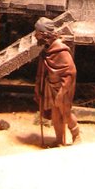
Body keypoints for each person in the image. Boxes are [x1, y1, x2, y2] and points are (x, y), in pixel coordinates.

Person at [34, 17, 80, 147]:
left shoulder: (61, 50)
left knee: (65, 114)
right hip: (50, 87)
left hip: (62, 88)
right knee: (55, 115)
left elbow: (71, 72)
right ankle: (59, 140)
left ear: (44, 34)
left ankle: (76, 135)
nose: (35, 35)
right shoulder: (47, 50)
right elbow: (43, 70)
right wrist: (39, 86)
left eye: (37, 33)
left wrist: (62, 92)